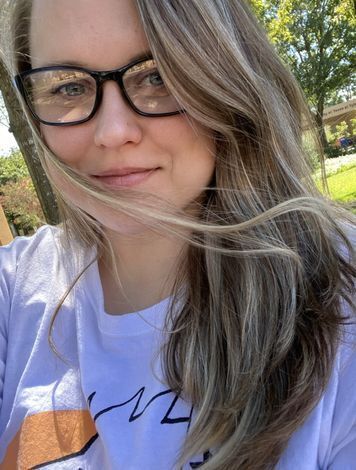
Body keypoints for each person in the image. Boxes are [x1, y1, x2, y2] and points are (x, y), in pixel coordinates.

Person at [0, 0, 355, 468]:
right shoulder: (15, 293)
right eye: (67, 86)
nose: (112, 132)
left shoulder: (340, 299)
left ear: (228, 78)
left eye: (157, 76)